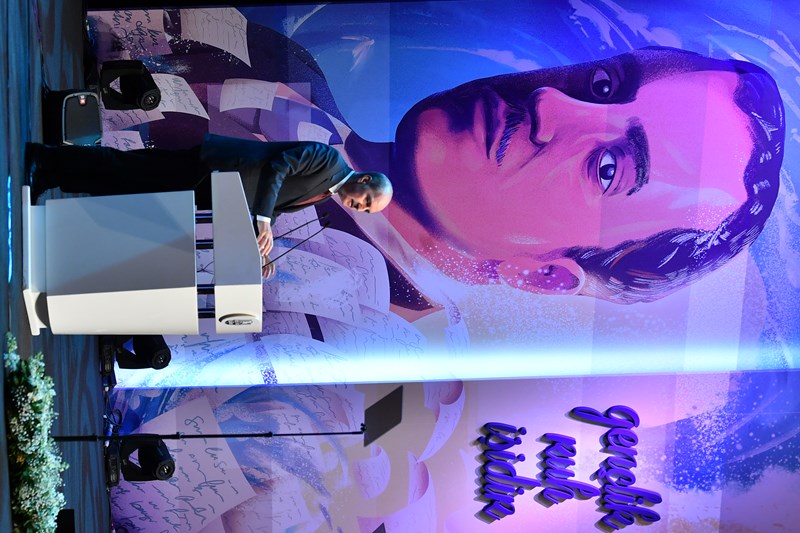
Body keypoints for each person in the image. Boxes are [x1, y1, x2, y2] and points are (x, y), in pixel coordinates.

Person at [90, 12, 786, 304]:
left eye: (608, 169)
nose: (550, 103)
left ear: (548, 274)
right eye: (603, 84)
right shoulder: (275, 60)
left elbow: (74, 268)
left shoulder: (348, 331)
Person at [24, 134, 393, 276]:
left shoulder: (327, 190)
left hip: (216, 190)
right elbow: (279, 167)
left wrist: (262, 248)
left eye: (365, 211)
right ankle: (47, 157)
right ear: (364, 180)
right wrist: (263, 219)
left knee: (130, 190)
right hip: (214, 165)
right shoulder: (329, 160)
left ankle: (54, 177)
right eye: (365, 201)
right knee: (129, 168)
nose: (359, 207)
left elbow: (275, 204)